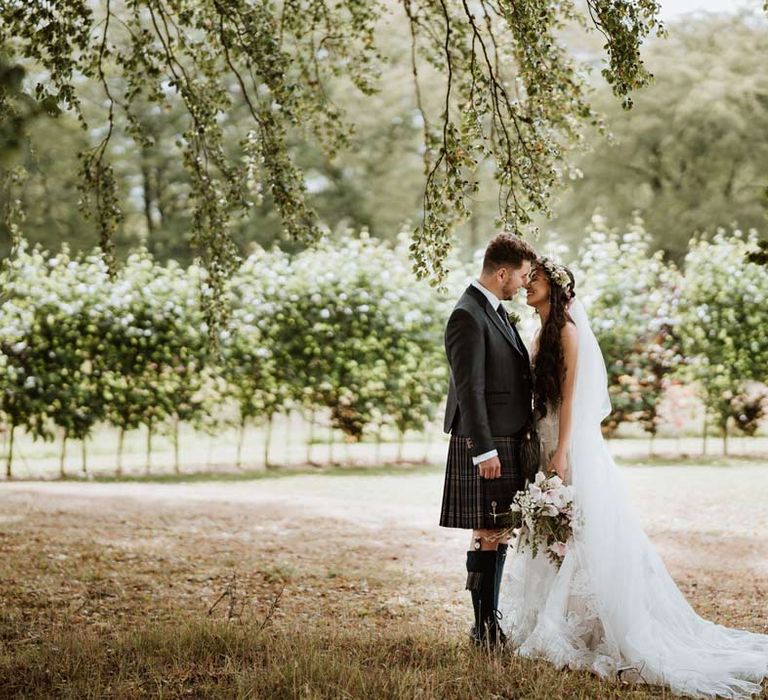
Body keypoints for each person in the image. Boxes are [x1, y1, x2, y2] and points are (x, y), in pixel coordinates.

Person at [501, 256, 768, 698]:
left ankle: (584, 627)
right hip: (543, 439)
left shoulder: (567, 332)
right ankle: (561, 620)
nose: (527, 284)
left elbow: (571, 401)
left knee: (579, 530)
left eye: (536, 278)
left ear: (556, 286)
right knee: (554, 533)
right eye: (527, 278)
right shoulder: (538, 332)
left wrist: (562, 452)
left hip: (567, 444)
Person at [439, 233, 537, 648]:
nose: (524, 285)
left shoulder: (491, 310)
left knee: (496, 530)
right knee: (486, 531)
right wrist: (484, 449)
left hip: (504, 437)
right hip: (486, 442)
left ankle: (488, 625)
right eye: (522, 276)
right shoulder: (467, 315)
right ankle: (483, 629)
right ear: (502, 273)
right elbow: (469, 388)